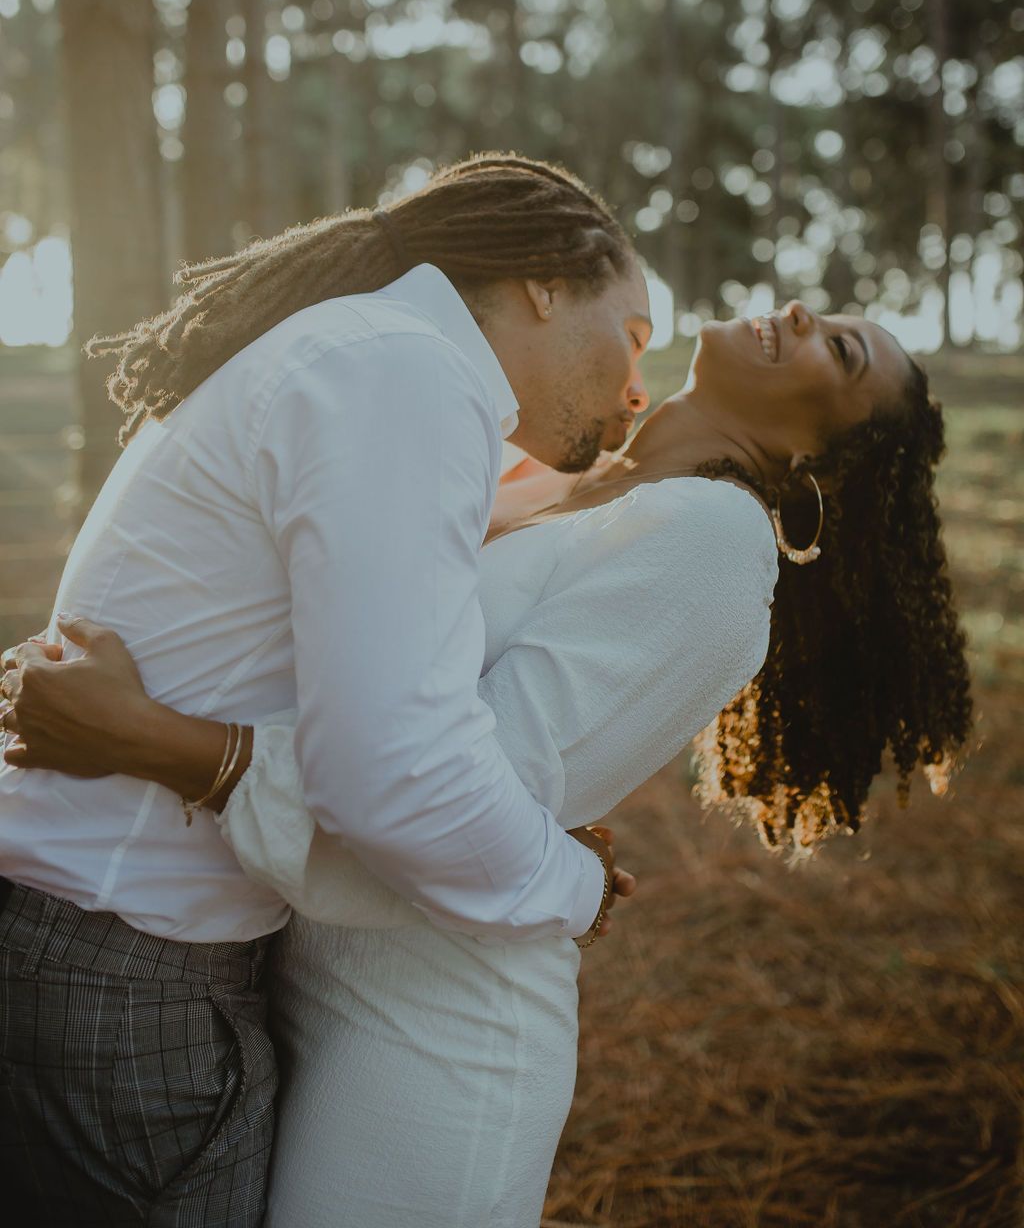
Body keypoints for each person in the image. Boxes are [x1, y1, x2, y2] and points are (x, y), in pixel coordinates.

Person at [2, 298, 972, 1226]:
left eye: (841, 354)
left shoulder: (710, 541)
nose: (804, 317)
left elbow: (450, 794)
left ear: (818, 465)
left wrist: (148, 737)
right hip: (283, 969)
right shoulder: (551, 478)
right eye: (827, 317)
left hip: (430, 1030)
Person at [0, 153, 654, 1228]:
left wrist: (621, 471)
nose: (637, 385)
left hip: (108, 950)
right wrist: (570, 885)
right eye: (631, 336)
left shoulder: (368, 354)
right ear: (547, 280)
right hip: (134, 982)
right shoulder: (406, 375)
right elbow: (396, 768)